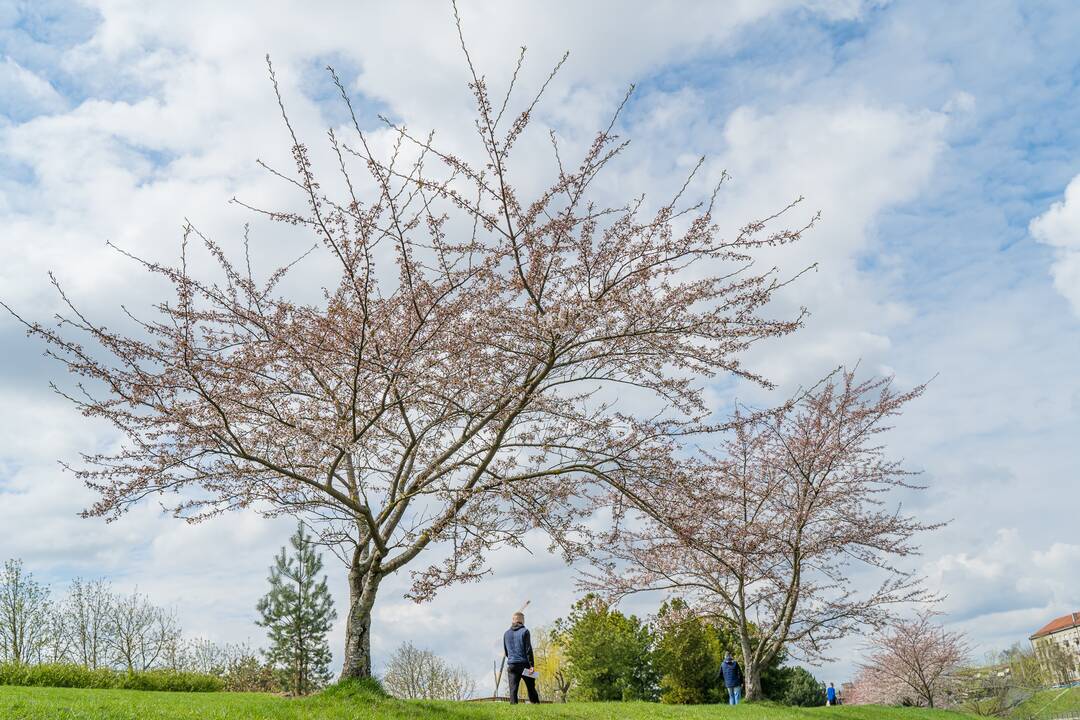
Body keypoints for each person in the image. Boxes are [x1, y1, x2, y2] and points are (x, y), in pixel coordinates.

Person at [503, 611, 540, 704]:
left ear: (513, 620)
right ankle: (536, 705)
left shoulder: (506, 634)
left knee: (513, 689)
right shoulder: (525, 631)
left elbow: (506, 651)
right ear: (522, 620)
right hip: (524, 665)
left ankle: (513, 709)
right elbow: (528, 650)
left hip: (511, 665)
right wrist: (531, 665)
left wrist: (512, 659)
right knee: (531, 686)